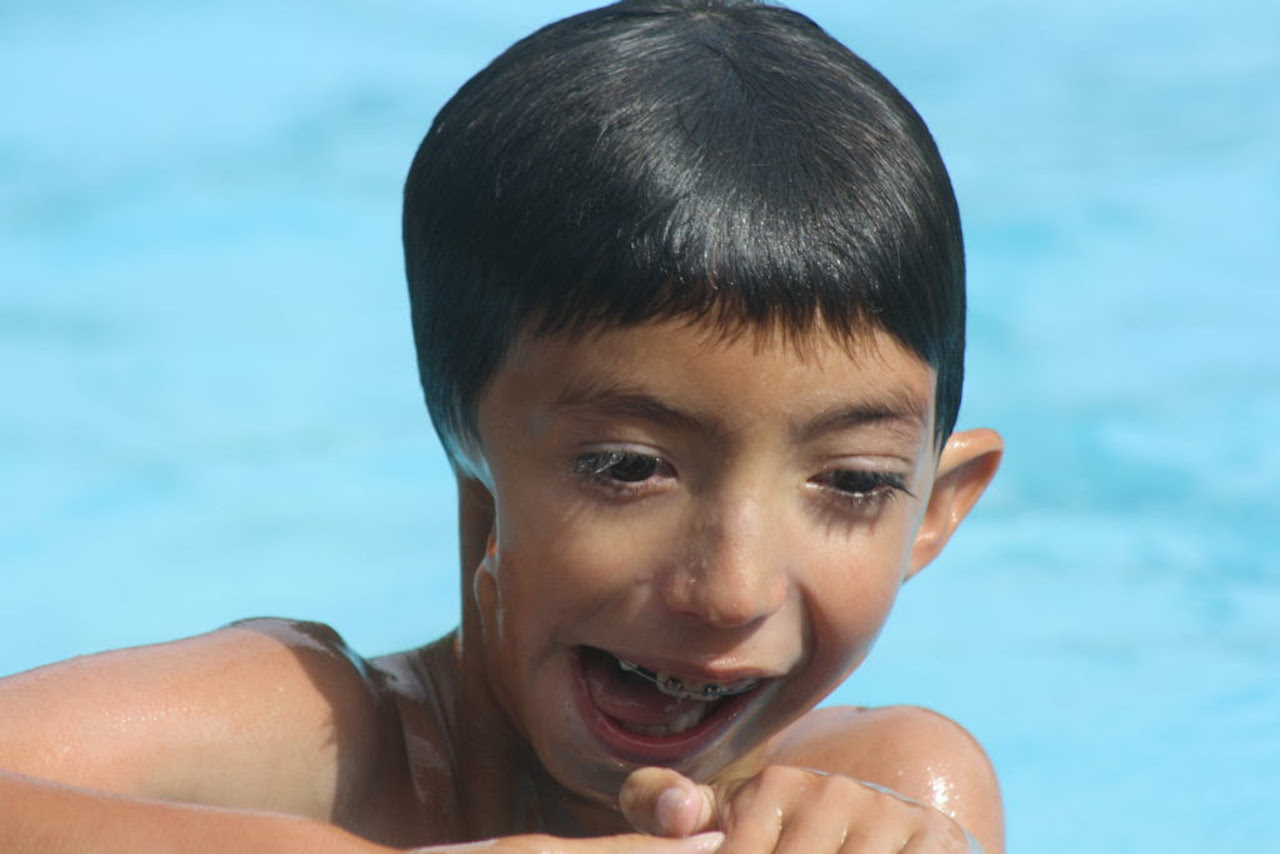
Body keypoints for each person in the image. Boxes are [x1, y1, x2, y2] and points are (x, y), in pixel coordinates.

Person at [0, 1, 1005, 851]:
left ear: (934, 509)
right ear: (470, 459)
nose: (729, 589)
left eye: (855, 481)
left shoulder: (895, 798)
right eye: (626, 465)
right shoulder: (315, 738)